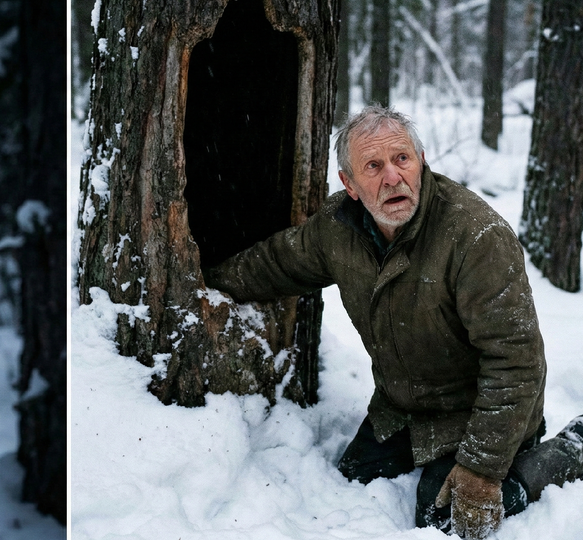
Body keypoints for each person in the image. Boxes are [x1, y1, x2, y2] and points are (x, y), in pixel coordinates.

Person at [204, 105, 583, 538]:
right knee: (350, 482)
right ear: (349, 184)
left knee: (447, 520)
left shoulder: (477, 236)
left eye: (403, 159)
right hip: (400, 411)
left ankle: (566, 453)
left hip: (478, 413)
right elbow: (277, 264)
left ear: (421, 162)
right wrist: (199, 282)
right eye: (373, 165)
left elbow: (516, 362)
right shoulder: (337, 229)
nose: (392, 177)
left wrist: (482, 469)